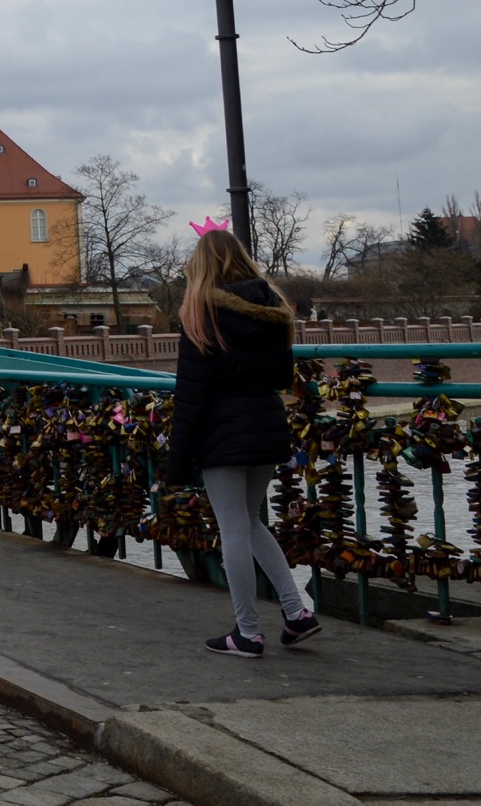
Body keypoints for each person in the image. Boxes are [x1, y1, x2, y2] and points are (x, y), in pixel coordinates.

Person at [167, 226, 323, 657]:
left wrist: (177, 462)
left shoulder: (201, 312)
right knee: (252, 522)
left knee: (233, 528)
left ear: (200, 266)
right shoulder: (273, 309)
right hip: (267, 425)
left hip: (223, 432)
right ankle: (296, 613)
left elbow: (191, 394)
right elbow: (281, 378)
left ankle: (248, 631)